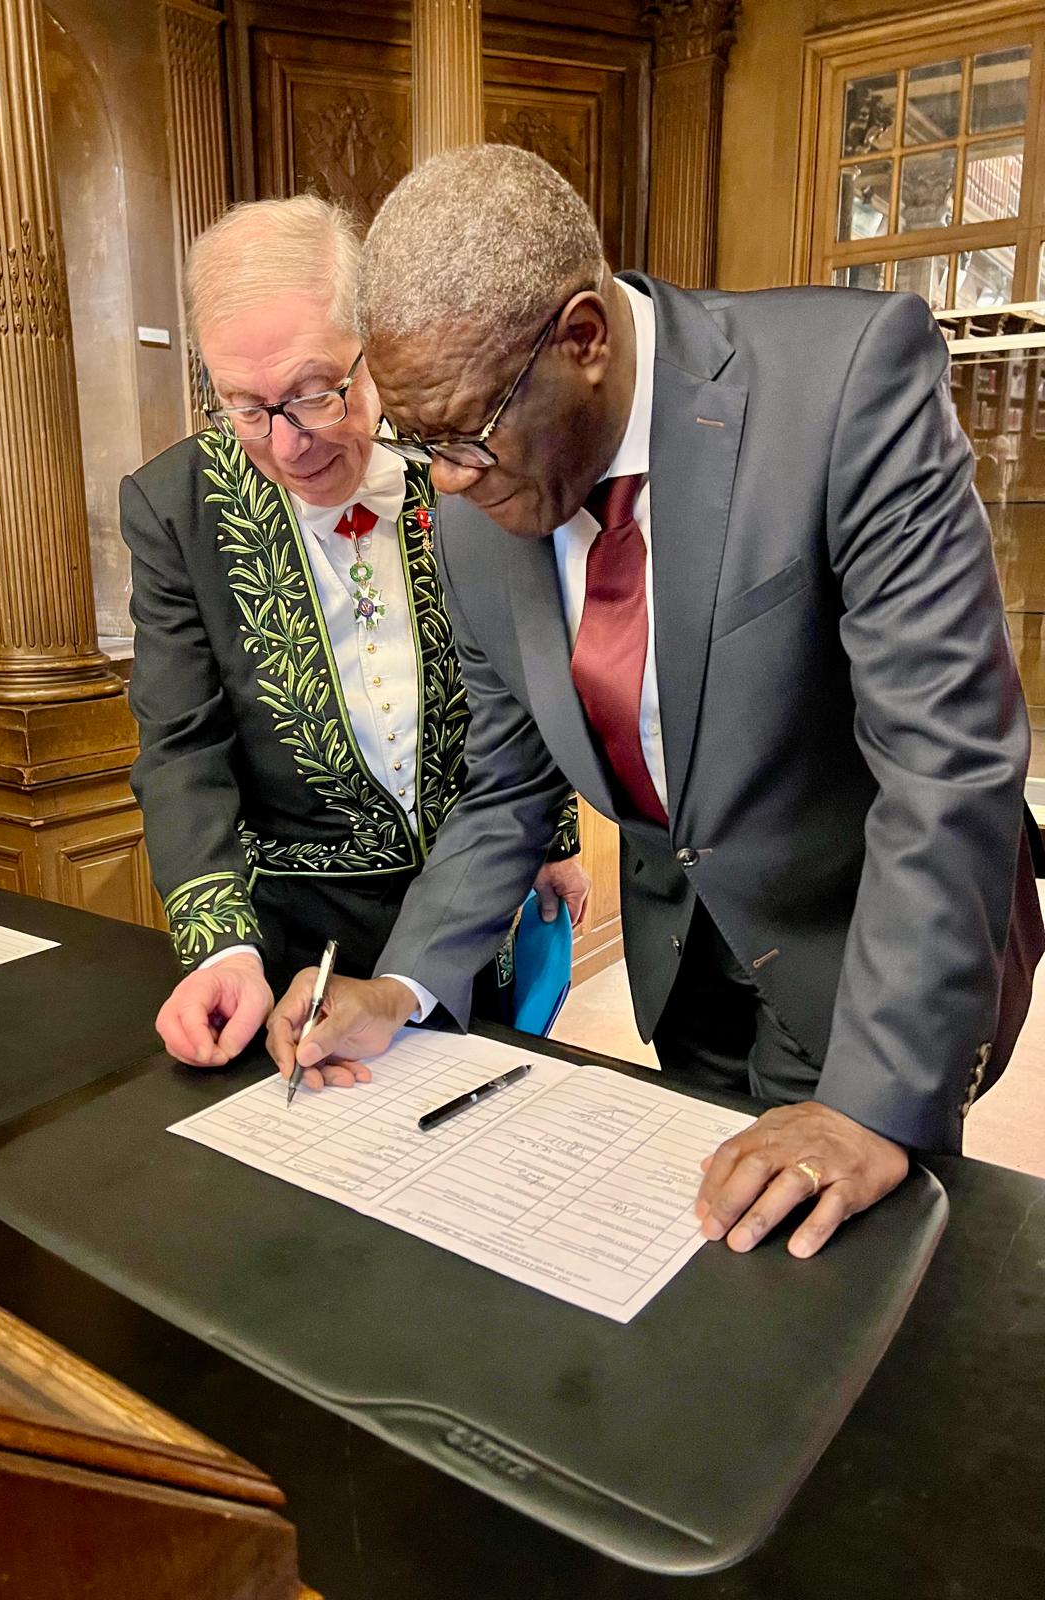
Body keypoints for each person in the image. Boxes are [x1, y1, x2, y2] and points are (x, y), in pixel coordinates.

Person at [266, 144, 1044, 1259]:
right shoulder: (477, 487)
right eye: (418, 440)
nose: (444, 479)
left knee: (847, 1299)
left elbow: (947, 762)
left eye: (468, 436)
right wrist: (400, 985)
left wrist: (874, 1101)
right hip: (684, 969)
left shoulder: (841, 382)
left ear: (584, 340)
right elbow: (505, 785)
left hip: (869, 955)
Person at [120, 193, 588, 1073]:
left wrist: (552, 841)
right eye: (246, 408)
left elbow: (525, 665)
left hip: (469, 910)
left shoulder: (458, 449)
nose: (287, 444)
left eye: (311, 395)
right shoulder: (175, 508)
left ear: (372, 345)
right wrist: (223, 949)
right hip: (298, 951)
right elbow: (182, 746)